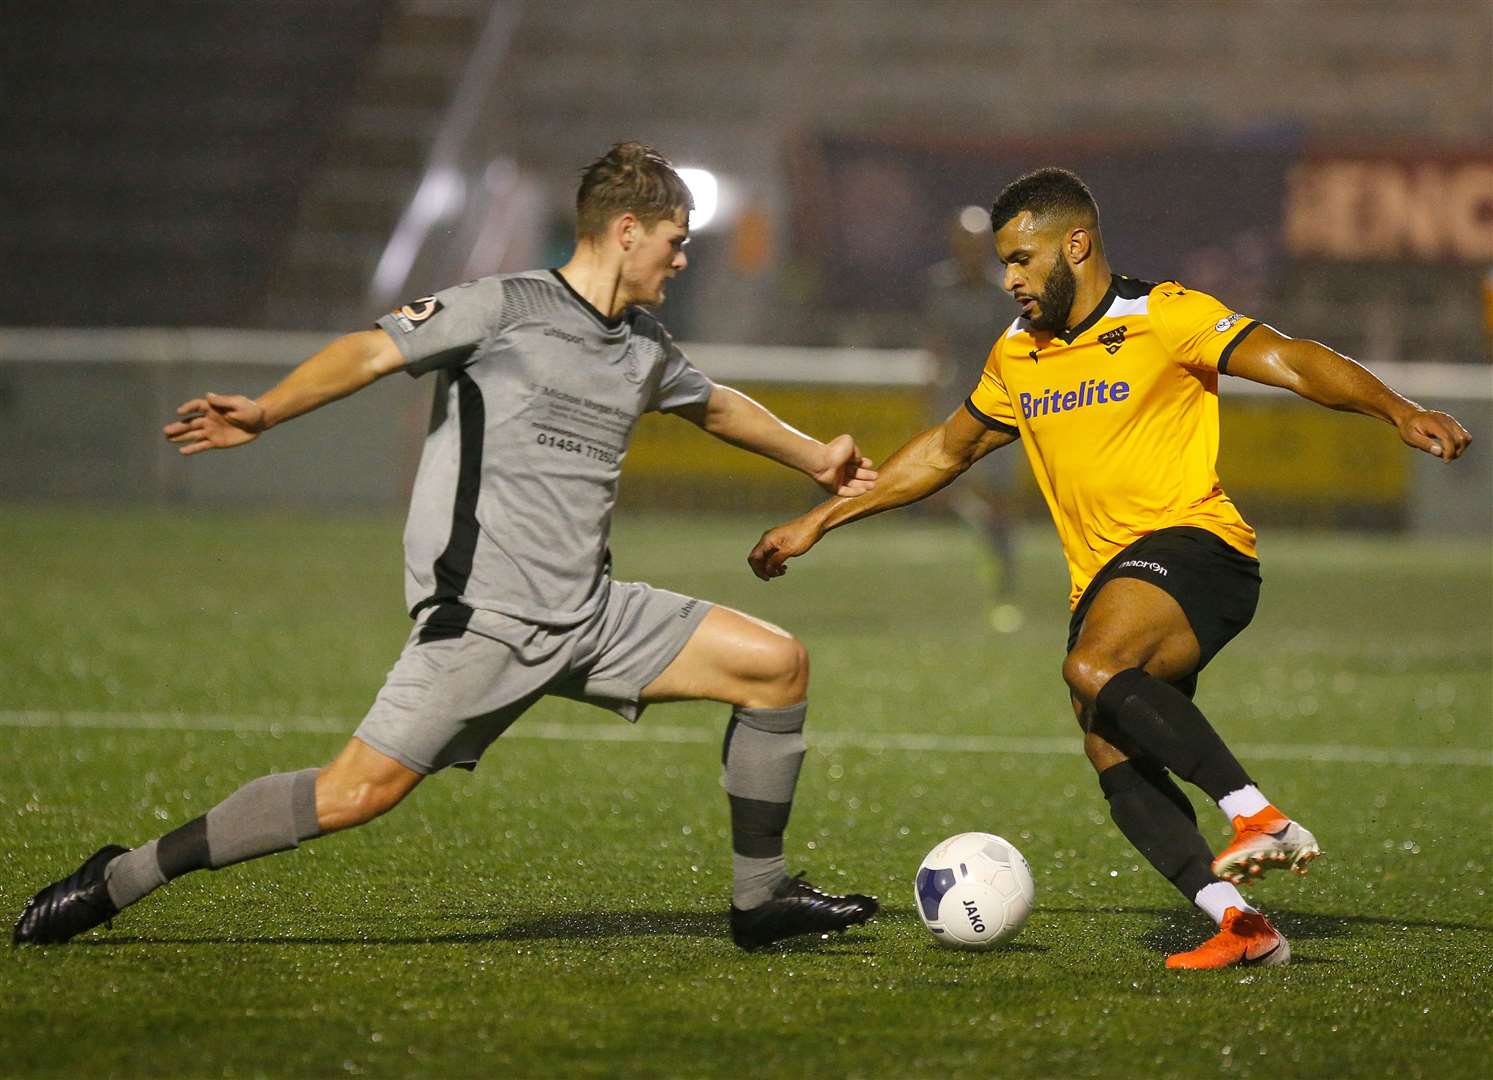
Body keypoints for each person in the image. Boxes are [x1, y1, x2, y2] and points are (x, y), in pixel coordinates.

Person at [13, 142, 880, 951]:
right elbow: (370, 350)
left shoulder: (644, 347)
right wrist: (267, 410)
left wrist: (815, 457)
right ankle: (120, 878)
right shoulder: (502, 306)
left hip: (592, 612)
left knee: (776, 666)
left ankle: (758, 899)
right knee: (351, 794)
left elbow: (713, 403)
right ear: (626, 232)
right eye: (674, 240)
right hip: (484, 620)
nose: (682, 259)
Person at [748, 168, 1471, 969]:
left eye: (1023, 259)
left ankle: (1255, 815)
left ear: (1076, 244)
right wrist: (819, 518)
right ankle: (1239, 924)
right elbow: (945, 451)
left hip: (1197, 550)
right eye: (1003, 263)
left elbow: (1292, 360)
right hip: (1104, 582)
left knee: (1093, 664)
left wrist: (1397, 409)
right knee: (1109, 743)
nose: (1010, 279)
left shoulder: (1160, 314)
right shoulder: (1017, 354)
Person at [922, 210, 1023, 631]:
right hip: (954, 402)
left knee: (999, 499)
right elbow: (936, 349)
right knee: (944, 491)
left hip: (998, 405)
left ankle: (1004, 581)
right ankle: (979, 560)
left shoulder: (1003, 292)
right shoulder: (940, 288)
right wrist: (929, 404)